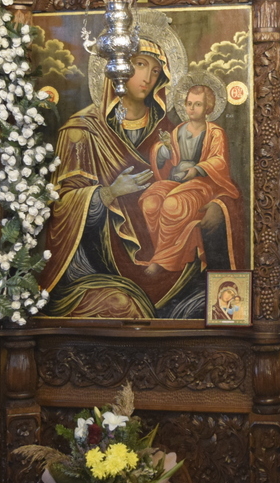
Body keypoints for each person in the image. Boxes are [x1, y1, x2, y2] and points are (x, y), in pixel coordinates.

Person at [38, 37, 201, 319]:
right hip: (99, 263)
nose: (147, 77)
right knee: (123, 307)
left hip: (166, 257)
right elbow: (59, 209)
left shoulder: (170, 132)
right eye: (139, 65)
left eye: (155, 71)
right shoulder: (81, 130)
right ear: (115, 68)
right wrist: (108, 193)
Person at [139, 83, 241, 276]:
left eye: (198, 104)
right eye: (189, 103)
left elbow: (219, 161)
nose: (192, 108)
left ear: (208, 108)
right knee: (150, 202)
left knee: (172, 205)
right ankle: (163, 253)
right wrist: (163, 151)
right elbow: (170, 160)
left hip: (203, 186)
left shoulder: (215, 133)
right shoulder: (178, 131)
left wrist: (197, 169)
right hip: (177, 181)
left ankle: (163, 261)